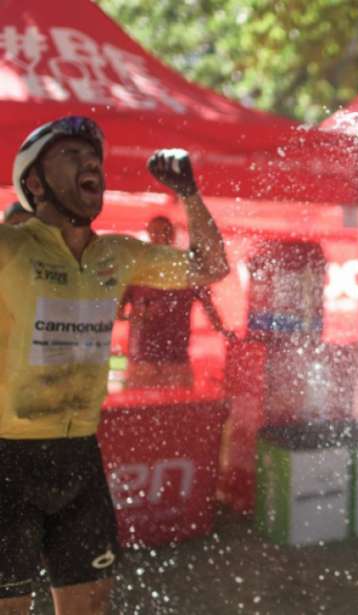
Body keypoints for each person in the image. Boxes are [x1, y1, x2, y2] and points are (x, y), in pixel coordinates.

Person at [0, 116, 229, 615]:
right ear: (34, 183)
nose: (90, 164)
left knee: (92, 606)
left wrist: (189, 194)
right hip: (7, 458)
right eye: (70, 155)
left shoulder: (119, 255)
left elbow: (210, 268)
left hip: (80, 454)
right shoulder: (10, 248)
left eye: (93, 157)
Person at [117, 215, 236, 389]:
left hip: (176, 359)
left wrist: (223, 331)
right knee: (143, 409)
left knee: (175, 411)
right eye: (155, 232)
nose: (159, 237)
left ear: (172, 235)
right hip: (143, 360)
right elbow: (118, 313)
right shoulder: (136, 272)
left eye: (164, 232)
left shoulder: (187, 269)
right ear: (149, 235)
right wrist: (138, 315)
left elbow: (209, 306)